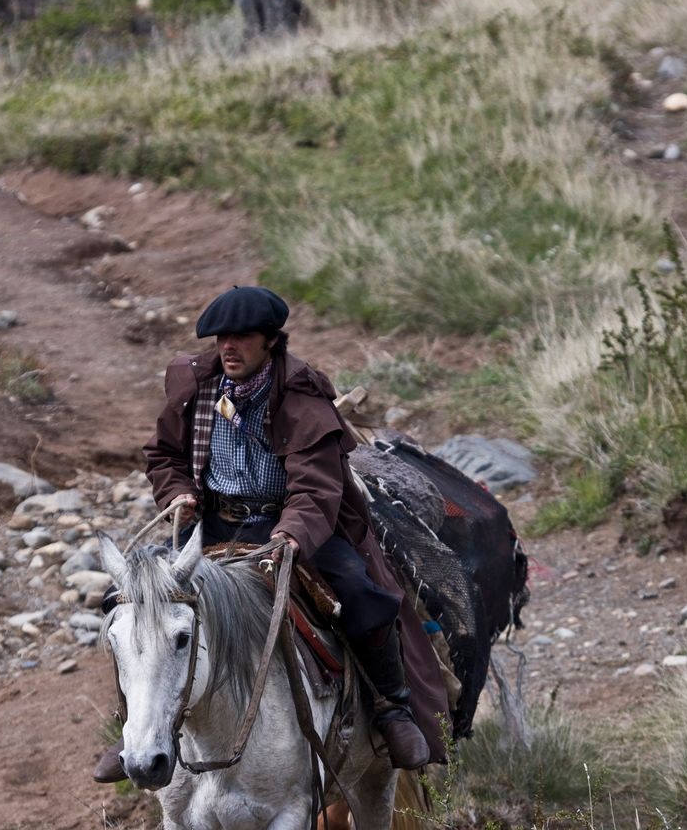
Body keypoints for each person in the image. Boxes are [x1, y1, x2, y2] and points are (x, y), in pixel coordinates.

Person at [94, 286, 450, 782]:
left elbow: (316, 488)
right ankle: (133, 726)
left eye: (241, 338)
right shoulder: (196, 386)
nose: (228, 348)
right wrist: (178, 493)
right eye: (222, 338)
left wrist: (289, 538)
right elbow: (165, 456)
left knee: (362, 594)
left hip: (295, 523)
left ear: (270, 342)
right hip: (210, 523)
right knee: (133, 605)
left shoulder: (302, 397)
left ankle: (392, 708)